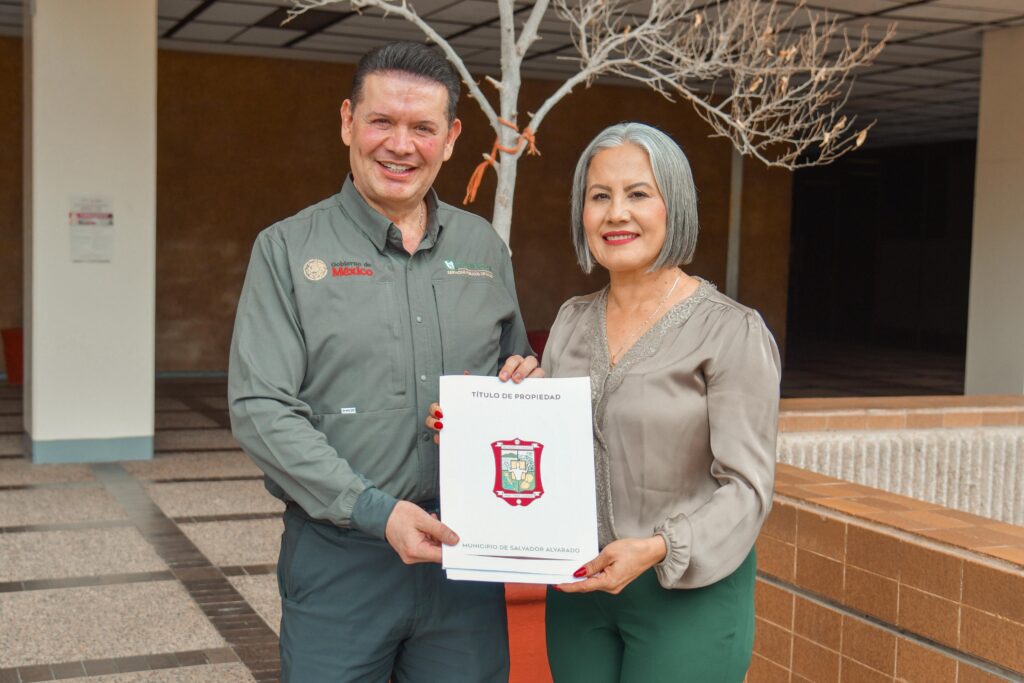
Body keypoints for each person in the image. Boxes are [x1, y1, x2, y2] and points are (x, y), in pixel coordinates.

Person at [228, 41, 540, 683]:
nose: (400, 145)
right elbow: (261, 409)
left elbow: (515, 364)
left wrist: (524, 382)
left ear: (451, 139)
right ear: (348, 122)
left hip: (464, 564)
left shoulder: (483, 247)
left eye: (422, 127)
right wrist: (376, 510)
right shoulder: (287, 250)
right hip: (342, 559)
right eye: (381, 122)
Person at [542, 122, 780, 682]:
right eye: (599, 196)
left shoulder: (731, 332)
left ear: (676, 206)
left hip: (685, 591)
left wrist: (656, 548)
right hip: (579, 590)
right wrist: (483, 419)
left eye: (638, 194)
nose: (616, 213)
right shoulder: (570, 322)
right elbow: (545, 450)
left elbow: (748, 490)